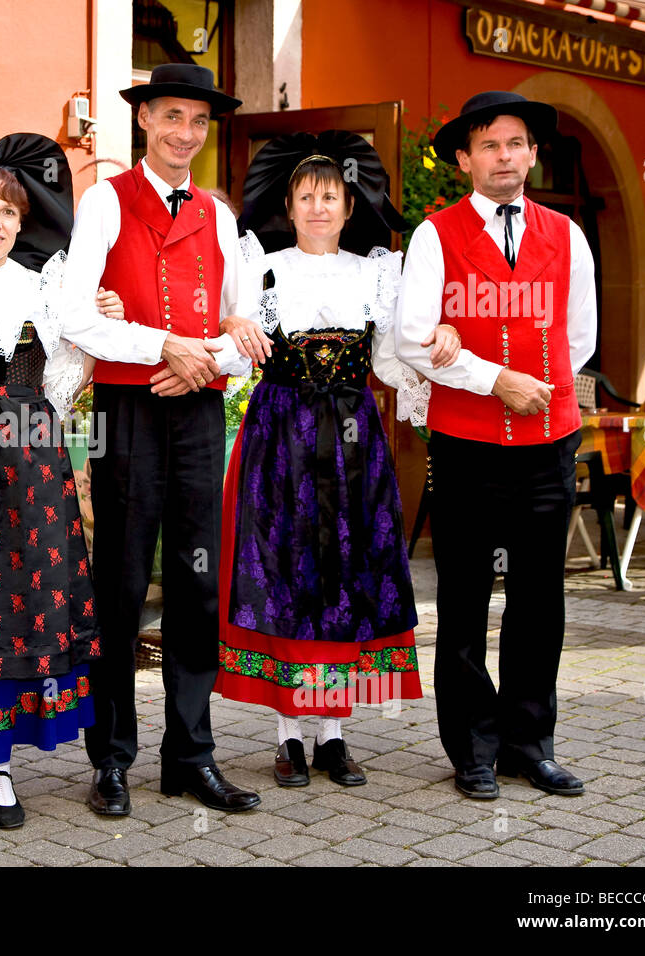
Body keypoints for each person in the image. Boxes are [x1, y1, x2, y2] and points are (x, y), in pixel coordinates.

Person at [0, 128, 221, 827]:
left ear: (21, 223)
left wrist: (103, 324)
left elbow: (63, 381)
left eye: (8, 211)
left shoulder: (48, 291)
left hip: (30, 463)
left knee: (17, 603)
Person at [216, 131, 458, 788]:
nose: (319, 206)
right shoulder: (263, 268)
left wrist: (437, 347)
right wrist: (225, 338)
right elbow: (241, 354)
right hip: (282, 434)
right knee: (288, 570)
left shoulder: (375, 272)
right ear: (289, 206)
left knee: (343, 571)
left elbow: (390, 357)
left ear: (349, 207)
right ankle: (288, 735)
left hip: (353, 438)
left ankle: (334, 733)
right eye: (306, 196)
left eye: (331, 195)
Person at [62, 63, 261, 816]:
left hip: (199, 409)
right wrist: (164, 346)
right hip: (125, 407)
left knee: (197, 581)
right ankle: (111, 757)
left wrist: (204, 358)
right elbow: (75, 316)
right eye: (172, 117)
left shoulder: (221, 216)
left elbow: (249, 329)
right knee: (118, 579)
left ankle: (191, 755)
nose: (185, 133)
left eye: (198, 122)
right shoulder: (106, 202)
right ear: (144, 120)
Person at [394, 91, 597, 799]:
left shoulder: (566, 235)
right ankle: (472, 750)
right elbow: (412, 339)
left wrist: (538, 390)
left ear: (532, 154)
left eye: (515, 143)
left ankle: (528, 744)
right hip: (468, 443)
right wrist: (496, 381)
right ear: (464, 159)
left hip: (548, 442)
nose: (504, 156)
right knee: (465, 599)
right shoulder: (434, 235)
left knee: (541, 600)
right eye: (488, 145)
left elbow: (580, 336)